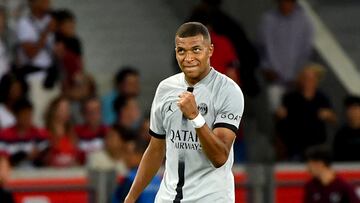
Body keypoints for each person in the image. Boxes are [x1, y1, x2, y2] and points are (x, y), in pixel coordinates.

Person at [125, 22, 244, 203]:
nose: (188, 58)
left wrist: (196, 117)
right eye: (181, 51)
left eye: (196, 50)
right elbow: (156, 149)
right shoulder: (165, 88)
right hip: (168, 198)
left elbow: (219, 157)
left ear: (210, 50)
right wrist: (131, 197)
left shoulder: (228, 91)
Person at [258, 0, 314, 111]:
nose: (285, 5)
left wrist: (300, 75)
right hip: (275, 80)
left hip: (297, 82)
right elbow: (260, 48)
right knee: (278, 115)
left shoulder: (304, 21)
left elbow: (307, 51)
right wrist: (266, 69)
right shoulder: (268, 20)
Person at [275, 64, 336, 161]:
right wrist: (279, 115)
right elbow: (279, 121)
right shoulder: (290, 98)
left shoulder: (321, 98)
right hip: (295, 146)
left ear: (317, 80)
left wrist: (328, 115)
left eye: (311, 79)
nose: (308, 82)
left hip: (317, 146)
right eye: (305, 78)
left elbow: (333, 119)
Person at [112, 138, 161, 203]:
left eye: (129, 153)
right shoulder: (158, 180)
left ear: (142, 155)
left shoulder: (129, 180)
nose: (126, 157)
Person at [333, 95, 360, 161]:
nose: (353, 112)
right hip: (347, 170)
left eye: (355, 108)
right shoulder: (341, 134)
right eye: (350, 108)